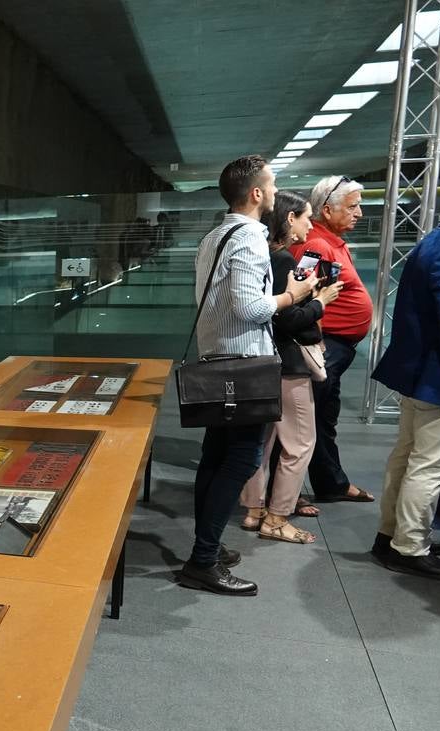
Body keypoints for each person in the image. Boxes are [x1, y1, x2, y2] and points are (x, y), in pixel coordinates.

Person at [177, 155, 320, 596]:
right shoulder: (250, 238)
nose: (276, 192)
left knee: (217, 458)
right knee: (239, 459)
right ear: (257, 193)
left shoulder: (216, 235)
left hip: (221, 361)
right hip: (244, 366)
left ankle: (208, 550)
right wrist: (292, 294)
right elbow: (249, 308)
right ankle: (203, 559)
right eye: (273, 184)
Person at [369, 175, 440, 582]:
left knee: (408, 457)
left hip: (420, 375)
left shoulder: (436, 240)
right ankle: (410, 547)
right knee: (430, 466)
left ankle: (392, 536)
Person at [239, 191, 342, 543]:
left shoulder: (262, 256)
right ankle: (277, 516)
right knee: (299, 444)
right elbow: (285, 319)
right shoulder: (282, 260)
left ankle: (254, 509)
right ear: (289, 219)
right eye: (306, 217)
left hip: (262, 361)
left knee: (262, 442)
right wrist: (320, 303)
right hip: (288, 365)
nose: (310, 225)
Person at [291, 175, 374, 504]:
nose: (359, 213)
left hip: (337, 348)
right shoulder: (315, 245)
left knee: (323, 417)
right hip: (326, 346)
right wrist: (316, 338)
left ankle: (330, 483)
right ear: (326, 210)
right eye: (353, 207)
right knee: (305, 421)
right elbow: (297, 291)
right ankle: (287, 492)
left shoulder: (332, 242)